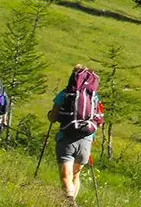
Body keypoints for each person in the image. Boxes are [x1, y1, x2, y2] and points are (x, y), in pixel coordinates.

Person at [48, 64, 103, 207]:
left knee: (66, 175)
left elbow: (53, 117)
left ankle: (69, 201)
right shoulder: (94, 96)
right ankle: (70, 202)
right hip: (86, 140)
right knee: (76, 176)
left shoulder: (65, 93)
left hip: (66, 137)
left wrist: (52, 116)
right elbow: (100, 121)